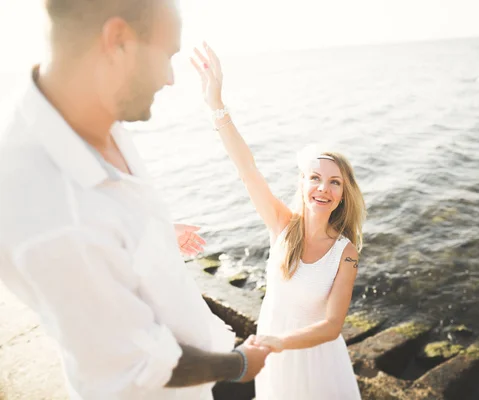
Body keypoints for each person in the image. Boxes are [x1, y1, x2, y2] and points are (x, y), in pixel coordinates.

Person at [0, 1, 270, 399]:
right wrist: (241, 365)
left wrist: (153, 232)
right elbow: (141, 367)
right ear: (118, 40)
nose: (170, 78)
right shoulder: (49, 211)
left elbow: (106, 229)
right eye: (168, 55)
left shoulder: (95, 118)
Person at [191, 43, 366, 400]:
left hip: (313, 358)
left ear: (344, 194)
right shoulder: (282, 226)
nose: (323, 188)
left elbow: (332, 326)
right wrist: (215, 104)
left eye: (335, 182)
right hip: (274, 350)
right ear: (302, 183)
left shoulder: (346, 252)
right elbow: (247, 169)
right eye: (315, 178)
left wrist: (276, 342)